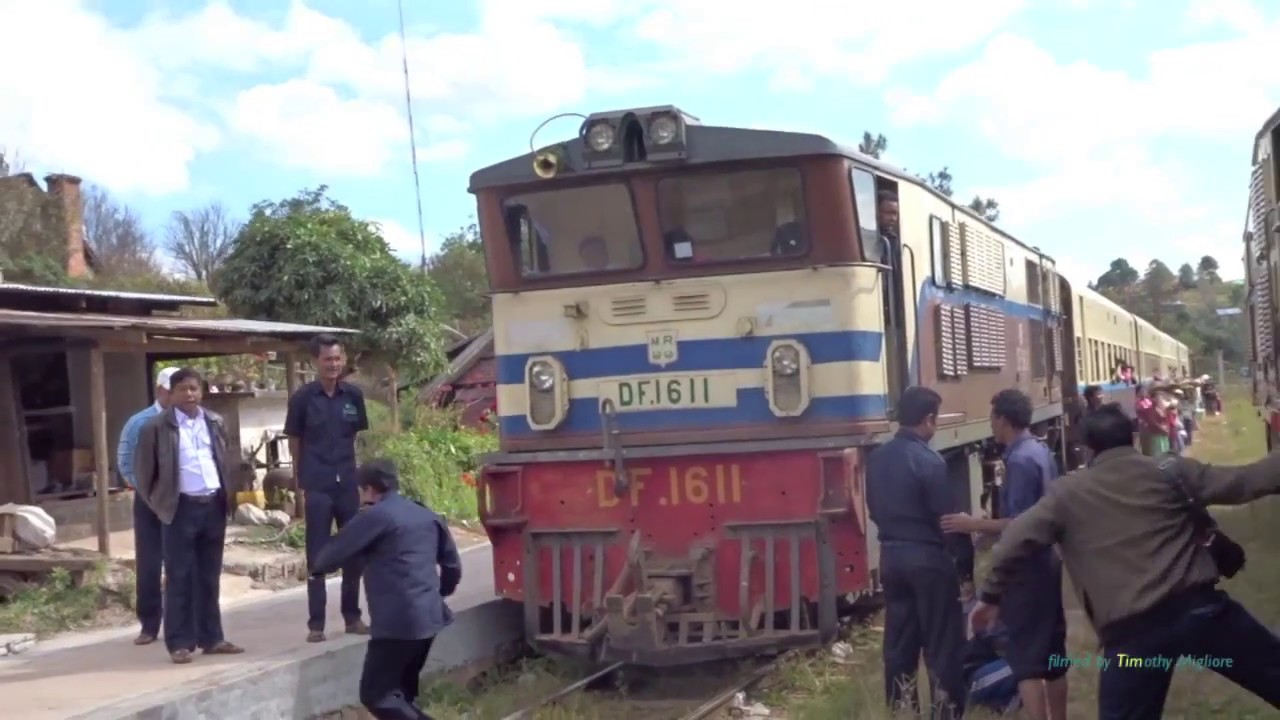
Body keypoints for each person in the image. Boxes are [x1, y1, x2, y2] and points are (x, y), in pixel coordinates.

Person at [969, 403, 1280, 719]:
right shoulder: (1170, 471)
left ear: (1087, 449)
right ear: (1132, 437)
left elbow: (1013, 539)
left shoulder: (1067, 495)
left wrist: (991, 597)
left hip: (1133, 639)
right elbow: (1247, 481)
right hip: (1201, 614)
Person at [941, 390, 1068, 720]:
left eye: (993, 417)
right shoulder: (1039, 450)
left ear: (1003, 420)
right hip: (1050, 561)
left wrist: (974, 524)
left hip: (1027, 569)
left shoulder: (1020, 460)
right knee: (1055, 655)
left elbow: (1020, 524)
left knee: (1026, 660)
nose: (991, 425)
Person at [310, 460, 462, 720]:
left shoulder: (374, 516)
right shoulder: (425, 513)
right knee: (400, 695)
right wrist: (434, 596)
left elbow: (326, 560)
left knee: (376, 695)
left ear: (368, 489)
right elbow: (452, 567)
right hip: (430, 619)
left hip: (397, 625)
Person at [865, 386, 969, 719]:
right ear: (928, 419)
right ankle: (946, 712)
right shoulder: (930, 461)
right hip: (929, 560)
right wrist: (965, 570)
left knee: (898, 644)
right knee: (941, 645)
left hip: (891, 558)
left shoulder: (877, 459)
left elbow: (873, 508)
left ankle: (900, 710)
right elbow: (948, 521)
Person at [135, 367, 244, 664]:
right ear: (170, 394)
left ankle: (213, 638)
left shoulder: (214, 422)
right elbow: (144, 477)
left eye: (194, 389)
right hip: (179, 509)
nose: (189, 394)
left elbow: (225, 461)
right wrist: (162, 506)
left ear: (202, 391)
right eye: (182, 389)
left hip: (213, 506)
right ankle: (179, 643)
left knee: (209, 577)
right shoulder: (156, 428)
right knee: (179, 576)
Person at [285, 333, 371, 643]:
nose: (333, 364)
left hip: (347, 484)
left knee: (353, 552)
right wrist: (299, 482)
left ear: (343, 360)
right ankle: (316, 624)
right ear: (315, 362)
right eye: (327, 359)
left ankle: (352, 617)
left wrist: (363, 485)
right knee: (318, 554)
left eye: (337, 358)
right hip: (318, 485)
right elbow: (295, 441)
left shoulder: (353, 396)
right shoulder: (303, 399)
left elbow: (358, 440)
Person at [116, 366, 179, 646]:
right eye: (171, 390)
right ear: (160, 390)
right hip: (149, 502)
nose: (176, 396)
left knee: (181, 563)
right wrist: (147, 493)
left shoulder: (189, 422)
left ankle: (183, 621)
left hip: (182, 503)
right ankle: (149, 625)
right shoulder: (140, 422)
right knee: (150, 564)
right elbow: (126, 460)